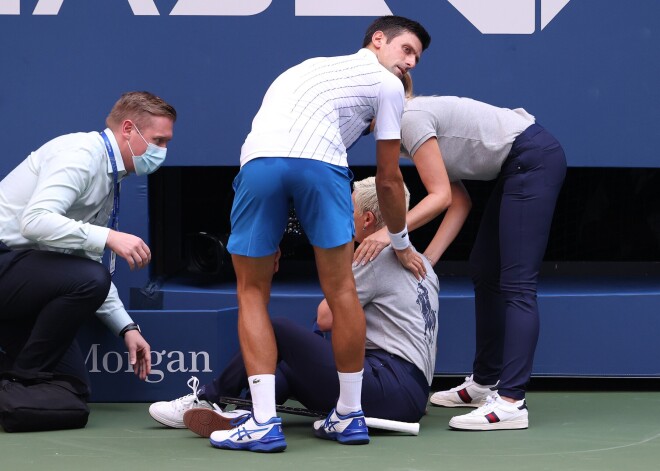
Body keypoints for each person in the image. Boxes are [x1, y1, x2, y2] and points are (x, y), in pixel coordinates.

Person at [201, 16, 431, 452]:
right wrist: (399, 242)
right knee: (342, 290)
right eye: (406, 50)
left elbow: (275, 151)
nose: (411, 63)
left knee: (251, 292)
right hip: (319, 169)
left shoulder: (302, 69)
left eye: (416, 58)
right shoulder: (388, 88)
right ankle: (349, 416)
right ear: (377, 40)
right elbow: (387, 181)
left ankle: (263, 422)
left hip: (259, 165)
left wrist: (267, 229)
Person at [148, 176, 439, 441]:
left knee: (278, 329)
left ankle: (210, 397)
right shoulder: (423, 263)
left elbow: (325, 318)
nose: (344, 217)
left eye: (348, 210)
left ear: (366, 219)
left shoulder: (373, 255)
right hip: (410, 396)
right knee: (289, 367)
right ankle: (247, 411)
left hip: (387, 385)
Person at [354, 73, 567, 430]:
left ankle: (512, 401)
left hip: (532, 159)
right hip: (518, 164)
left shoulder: (410, 119)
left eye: (364, 114)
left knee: (517, 285)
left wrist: (391, 235)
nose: (363, 124)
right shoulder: (409, 128)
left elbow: (440, 198)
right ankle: (486, 383)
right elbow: (459, 201)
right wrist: (427, 261)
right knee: (485, 268)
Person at [0, 91, 176, 407]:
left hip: (22, 280)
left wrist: (126, 327)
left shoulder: (110, 175)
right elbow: (35, 222)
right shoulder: (80, 155)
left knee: (73, 392)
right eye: (158, 141)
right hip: (5, 263)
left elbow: (84, 261)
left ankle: (13, 386)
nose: (162, 151)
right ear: (127, 130)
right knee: (90, 277)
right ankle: (22, 378)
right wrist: (108, 236)